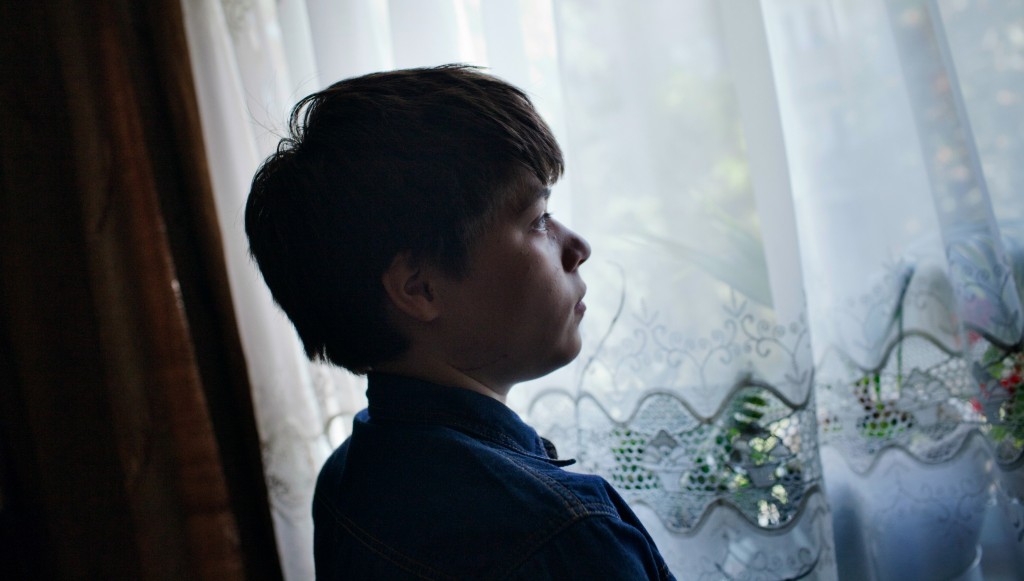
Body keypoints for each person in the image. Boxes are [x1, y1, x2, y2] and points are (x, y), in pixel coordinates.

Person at [245, 64, 674, 580]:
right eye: (537, 220)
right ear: (420, 288)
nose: (579, 248)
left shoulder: (344, 480)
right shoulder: (565, 538)